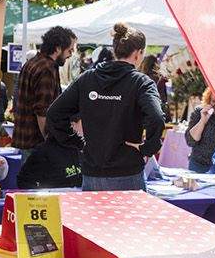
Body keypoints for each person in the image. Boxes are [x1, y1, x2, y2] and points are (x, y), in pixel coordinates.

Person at [46, 22, 164, 191]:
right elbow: (157, 117)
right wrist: (148, 148)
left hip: (93, 173)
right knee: (128, 219)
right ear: (139, 54)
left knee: (94, 219)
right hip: (126, 173)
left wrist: (77, 142)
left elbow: (54, 114)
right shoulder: (140, 82)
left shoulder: (87, 78)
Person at [11, 26, 75, 154]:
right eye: (70, 50)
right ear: (57, 48)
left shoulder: (32, 62)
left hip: (27, 140)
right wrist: (50, 141)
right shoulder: (47, 68)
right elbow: (43, 111)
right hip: (37, 143)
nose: (71, 54)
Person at [16, 121, 85, 190]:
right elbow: (23, 181)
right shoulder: (43, 151)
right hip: (55, 198)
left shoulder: (81, 147)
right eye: (73, 124)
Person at [184, 88, 215, 173]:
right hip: (198, 165)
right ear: (208, 100)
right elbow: (190, 141)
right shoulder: (200, 112)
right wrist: (203, 121)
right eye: (214, 102)